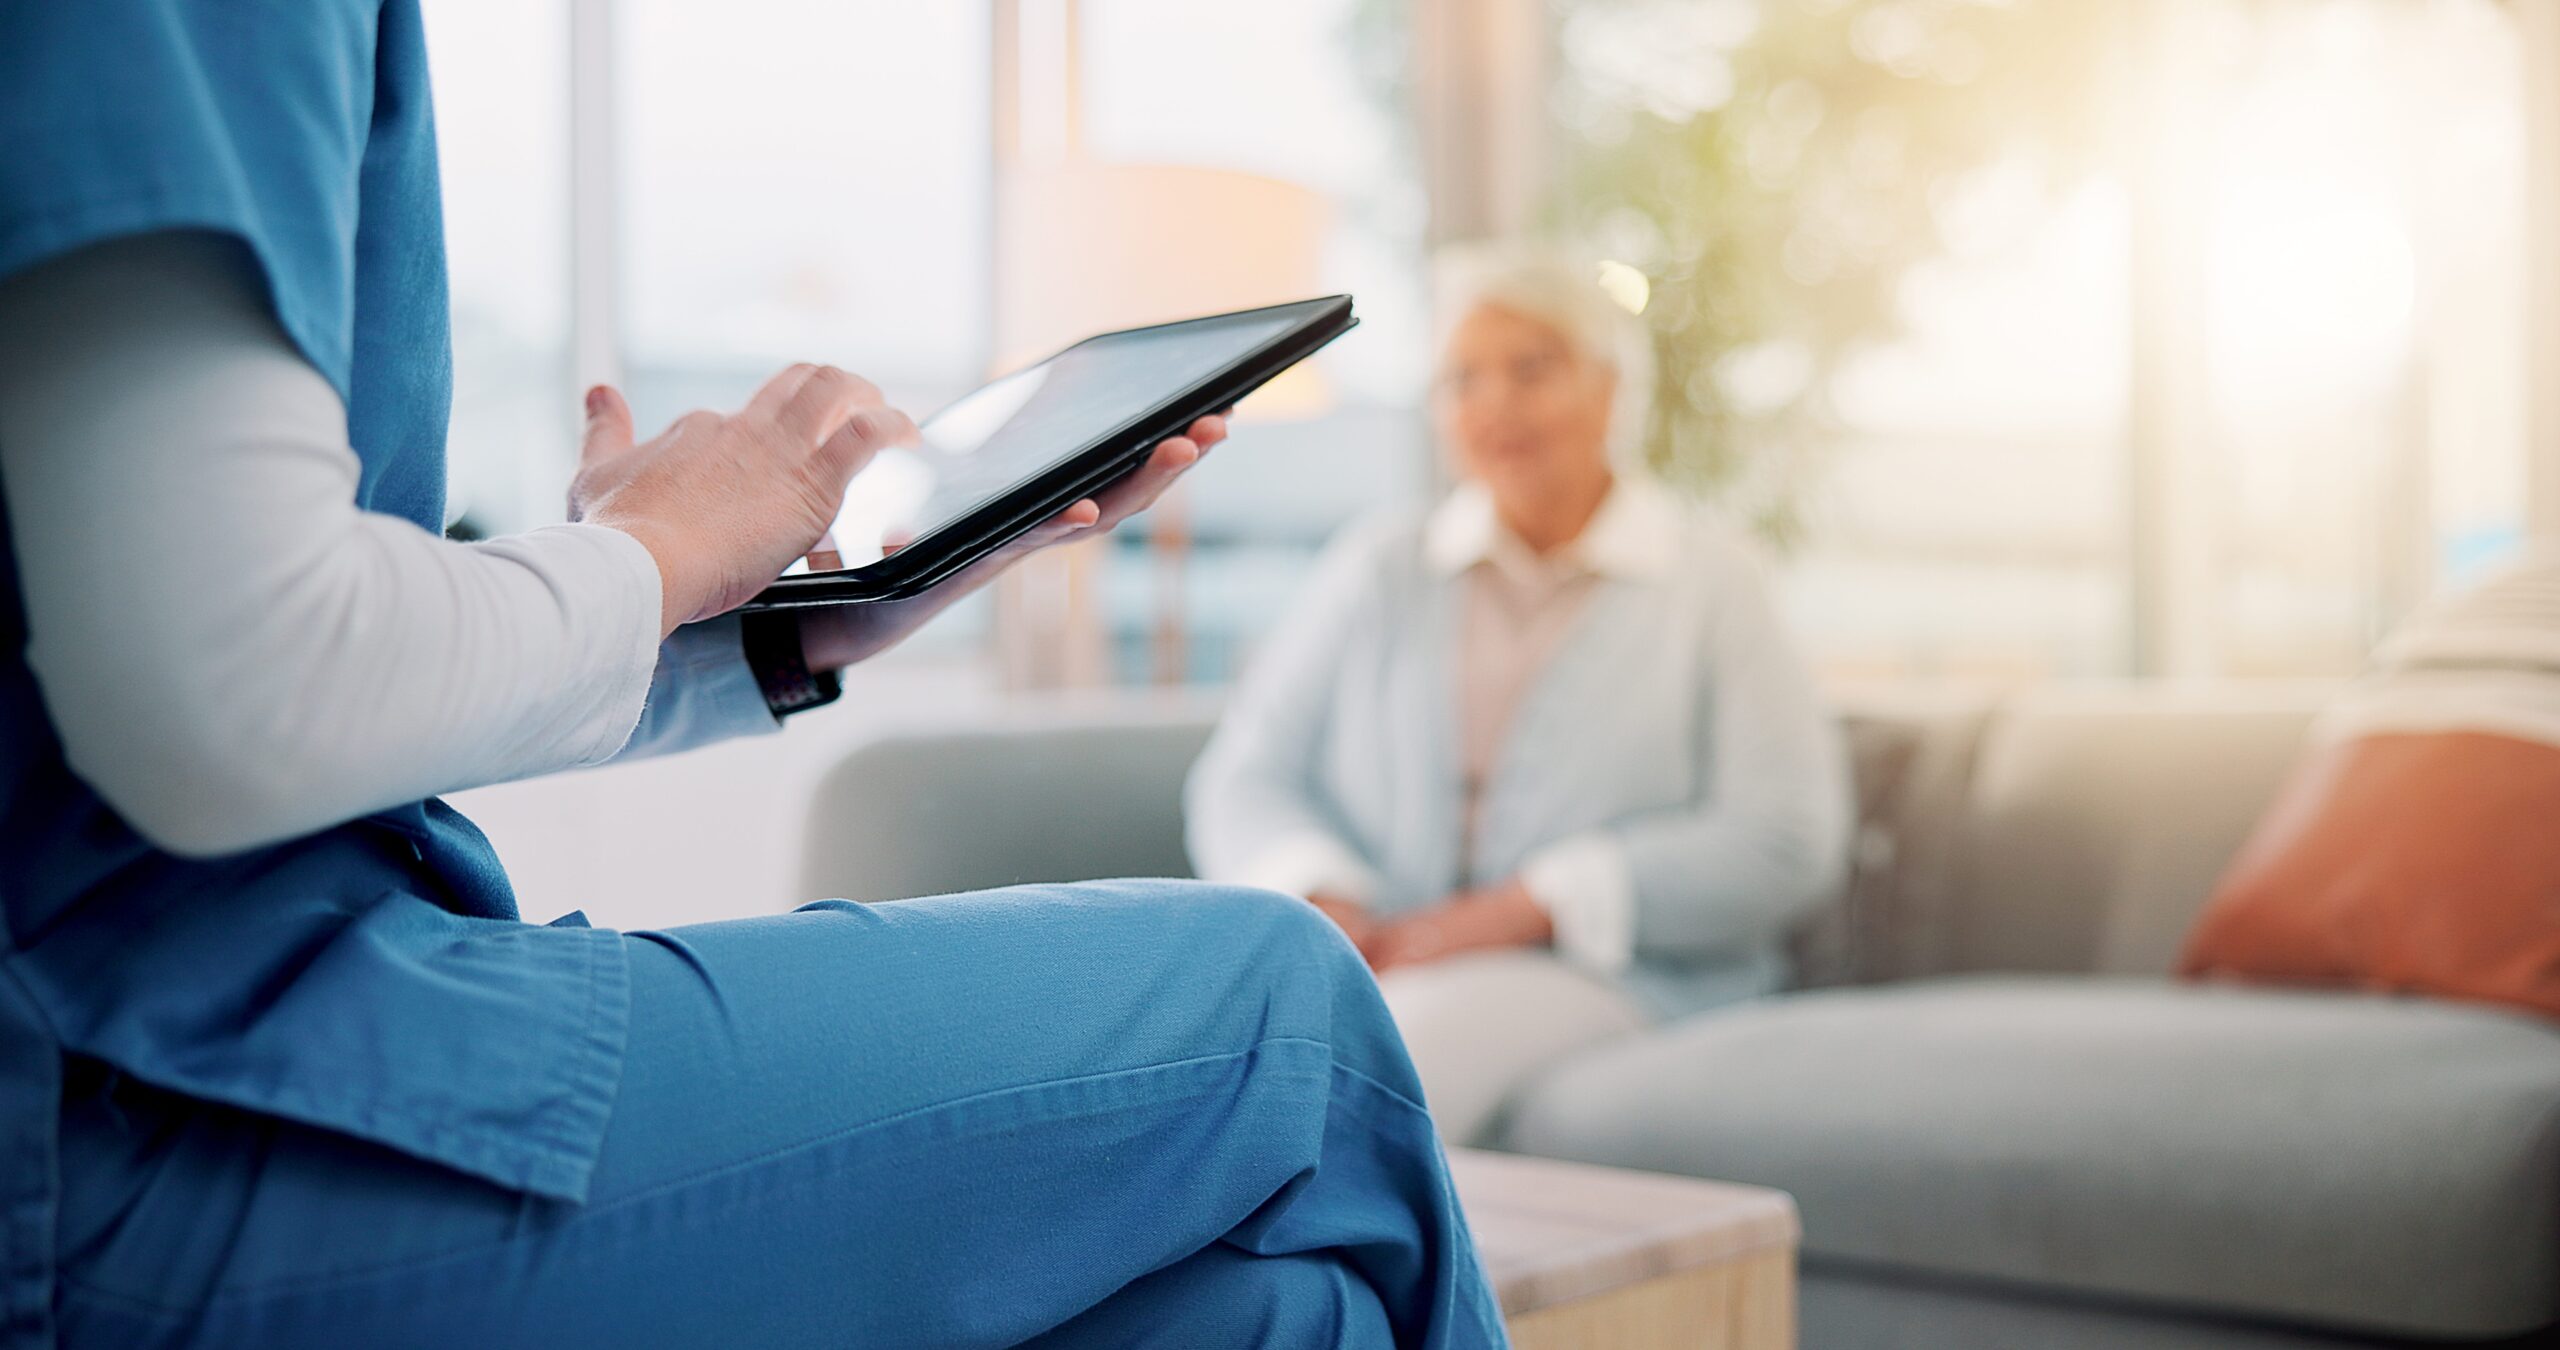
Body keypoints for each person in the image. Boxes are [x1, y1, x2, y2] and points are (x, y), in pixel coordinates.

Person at [0, 6, 1505, 1347]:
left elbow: (197, 649)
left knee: (1279, 1315)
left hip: (196, 1039)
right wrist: (654, 546)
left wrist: (774, 612)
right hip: (139, 1105)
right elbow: (230, 691)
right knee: (1283, 1014)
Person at [1186, 246, 1852, 1146]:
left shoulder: (1714, 583)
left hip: (1612, 975)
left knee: (1379, 1064)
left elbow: (1786, 837)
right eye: (1463, 379)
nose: (1494, 403)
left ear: (1611, 390)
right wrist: (1326, 896)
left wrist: (1528, 905)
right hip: (1371, 962)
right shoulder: (1380, 567)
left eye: (1532, 370)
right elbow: (1245, 779)